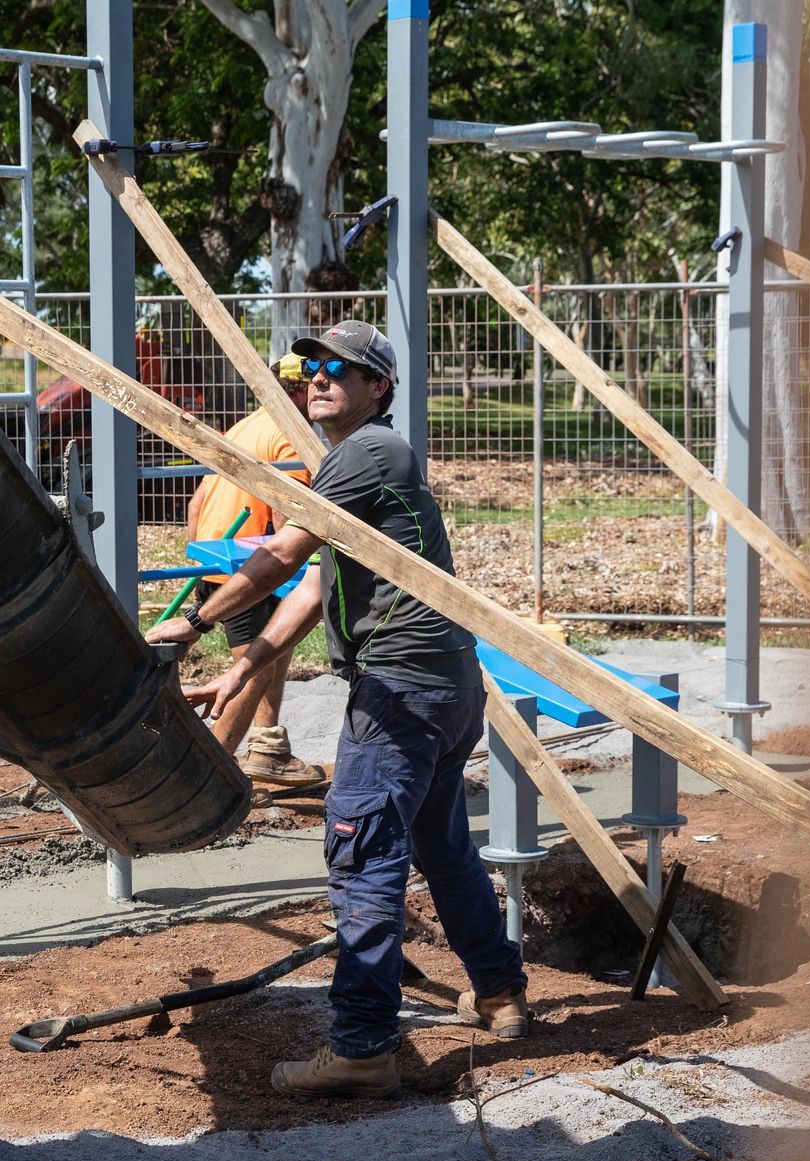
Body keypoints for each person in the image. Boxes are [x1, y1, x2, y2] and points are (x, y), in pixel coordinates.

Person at [147, 319, 529, 1099]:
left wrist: (191, 624)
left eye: (340, 369)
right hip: (444, 687)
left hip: (398, 693)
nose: (317, 377)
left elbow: (283, 556)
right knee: (442, 846)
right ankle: (499, 994)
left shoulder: (367, 453)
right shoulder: (358, 465)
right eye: (310, 364)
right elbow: (319, 585)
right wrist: (244, 669)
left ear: (378, 387)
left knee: (362, 856)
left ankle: (361, 1047)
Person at [181, 353, 322, 785]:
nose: (320, 395)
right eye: (315, 386)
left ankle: (268, 749)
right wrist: (298, 574)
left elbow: (198, 502)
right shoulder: (289, 437)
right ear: (299, 390)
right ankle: (213, 777)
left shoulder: (244, 427)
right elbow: (289, 520)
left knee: (273, 651)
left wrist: (201, 562)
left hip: (217, 559)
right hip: (252, 567)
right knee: (248, 675)